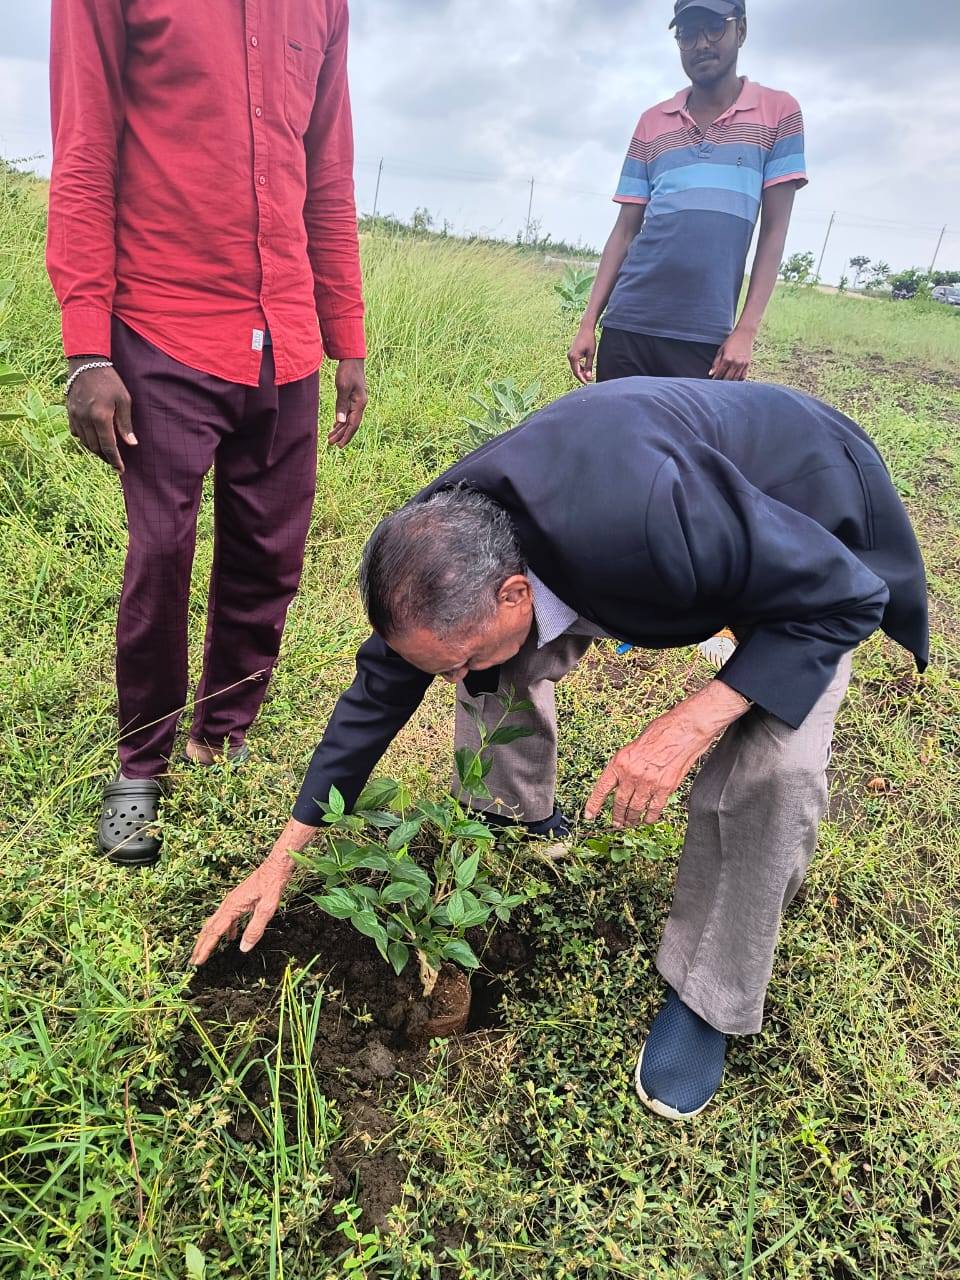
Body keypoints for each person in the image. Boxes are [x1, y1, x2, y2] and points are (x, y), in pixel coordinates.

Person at [191, 377, 928, 1120]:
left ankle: (709, 998)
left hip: (807, 532)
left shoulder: (644, 521)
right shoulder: (437, 545)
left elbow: (847, 598)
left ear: (515, 593)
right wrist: (285, 853)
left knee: (775, 767)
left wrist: (688, 724)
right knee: (492, 669)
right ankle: (514, 814)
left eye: (457, 656)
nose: (453, 679)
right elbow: (379, 692)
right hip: (664, 511)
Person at [47, 0, 368, 866]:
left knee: (271, 553)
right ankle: (140, 764)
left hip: (288, 335)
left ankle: (222, 733)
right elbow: (83, 153)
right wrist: (86, 350)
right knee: (162, 552)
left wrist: (347, 338)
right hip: (162, 325)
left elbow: (327, 175)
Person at [567, 0, 806, 387]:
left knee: (695, 447)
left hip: (705, 337)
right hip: (629, 324)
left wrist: (745, 331)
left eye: (714, 27)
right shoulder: (652, 122)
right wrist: (588, 323)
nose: (700, 44)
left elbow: (774, 231)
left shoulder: (778, 112)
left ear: (740, 30)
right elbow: (625, 231)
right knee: (617, 444)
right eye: (688, 33)